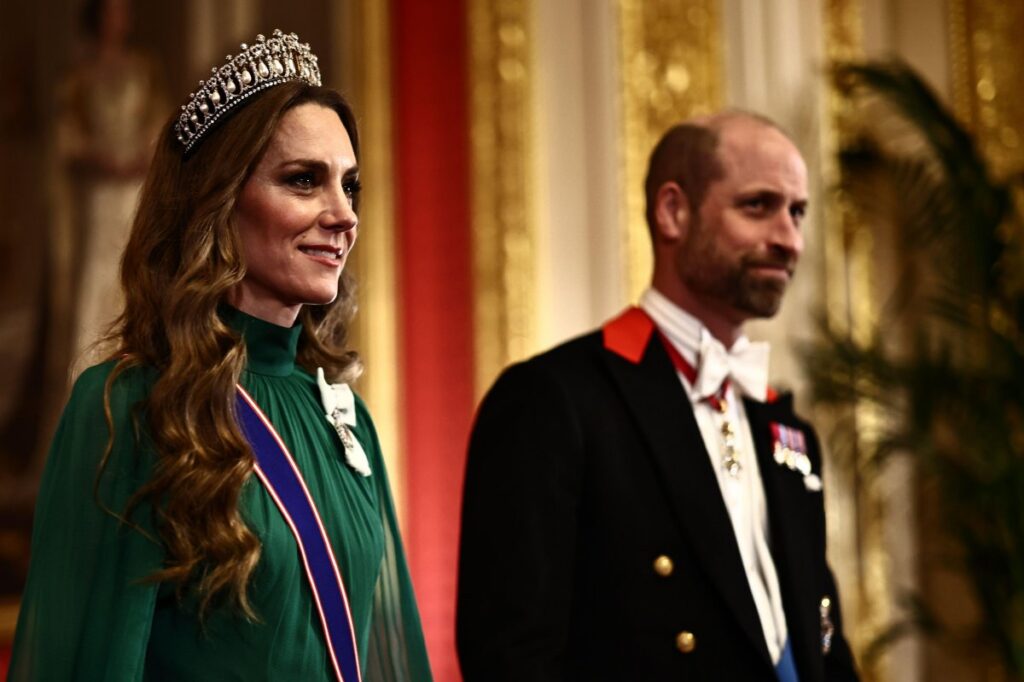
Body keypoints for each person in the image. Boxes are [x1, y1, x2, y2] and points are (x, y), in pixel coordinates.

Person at [9, 30, 432, 681]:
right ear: (221, 200)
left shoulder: (344, 420)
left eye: (350, 186)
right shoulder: (128, 406)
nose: (343, 214)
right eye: (303, 181)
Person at [457, 112, 859, 681]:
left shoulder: (787, 428)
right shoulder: (555, 401)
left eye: (797, 212)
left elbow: (825, 648)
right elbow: (511, 660)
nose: (789, 239)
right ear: (674, 211)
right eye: (758, 206)